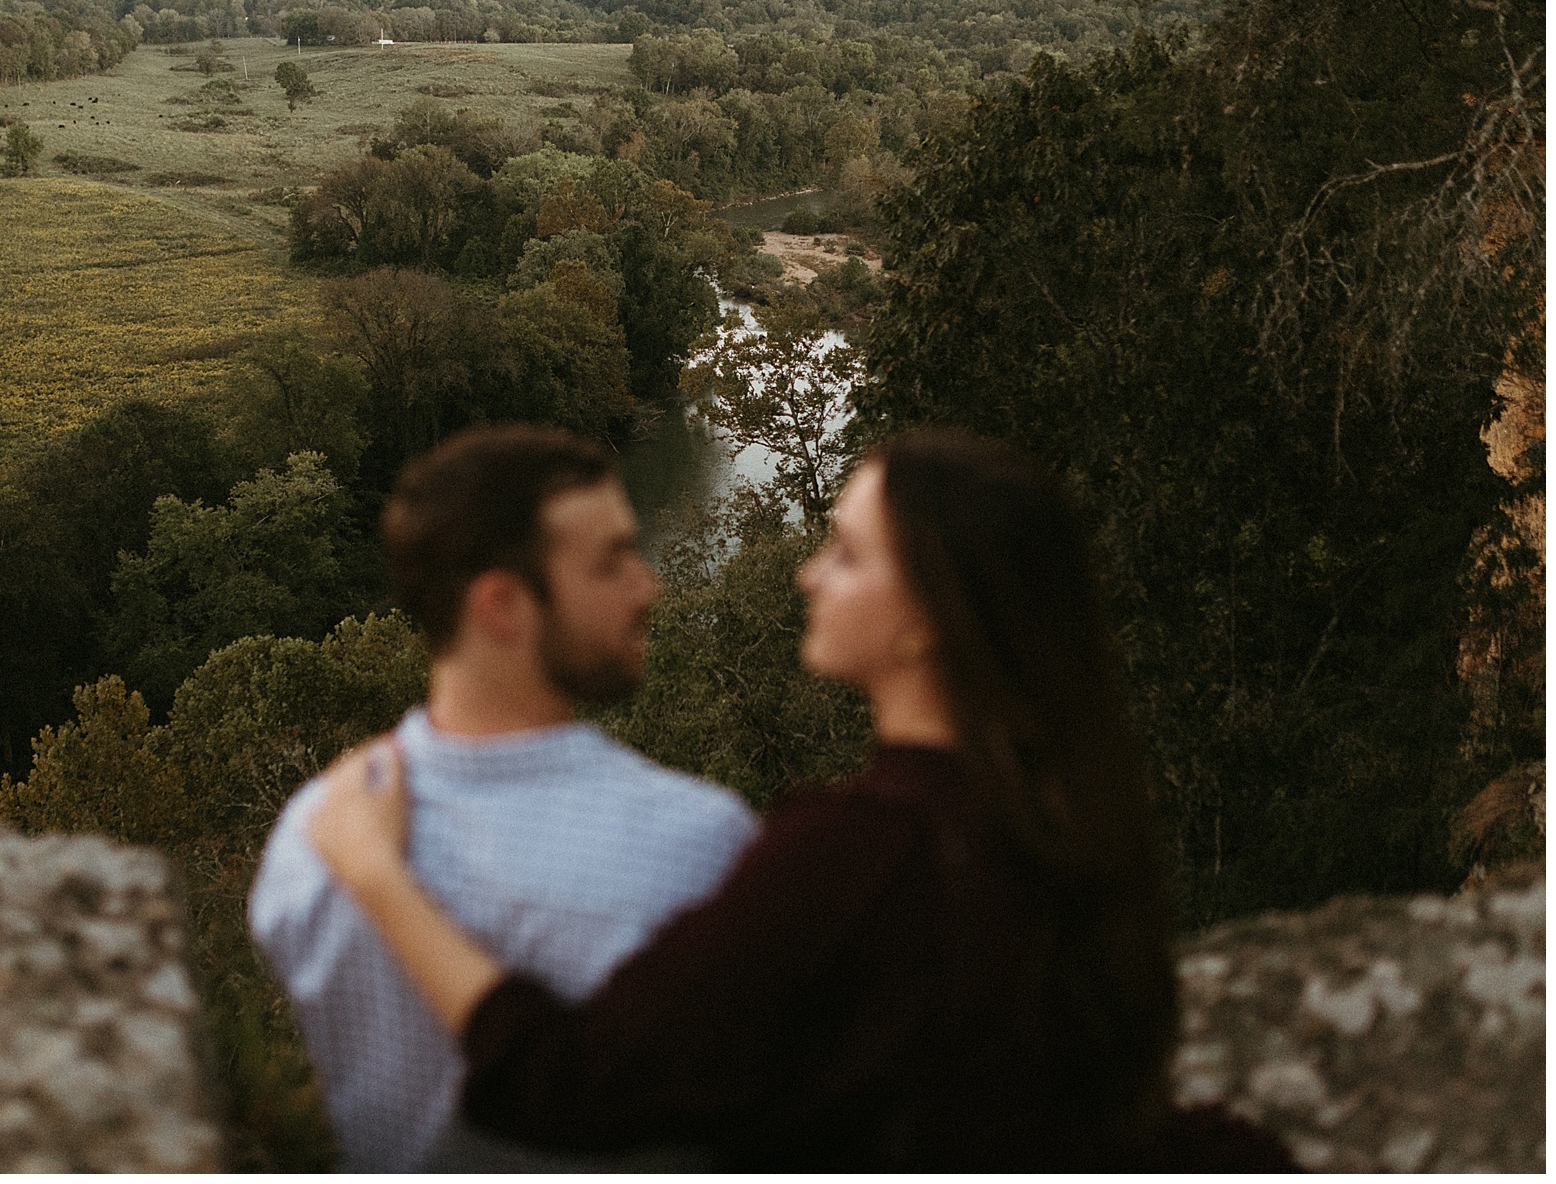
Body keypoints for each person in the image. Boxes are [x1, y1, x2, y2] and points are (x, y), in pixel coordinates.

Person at [308, 427, 1301, 1171]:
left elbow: (567, 1085)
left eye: (847, 552)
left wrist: (376, 872)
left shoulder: (859, 853)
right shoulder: (1060, 812)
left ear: (927, 620)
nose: (806, 571)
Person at [248, 426, 757, 1172]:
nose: (647, 584)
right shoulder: (700, 843)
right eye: (612, 561)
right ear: (502, 606)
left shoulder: (307, 840)